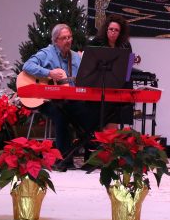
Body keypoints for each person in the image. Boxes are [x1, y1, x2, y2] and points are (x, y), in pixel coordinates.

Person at [22, 23, 97, 169]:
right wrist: (49, 73)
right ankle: (64, 159)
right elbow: (27, 66)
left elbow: (82, 80)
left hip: (69, 99)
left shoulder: (75, 57)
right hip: (46, 99)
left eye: (69, 37)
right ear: (56, 40)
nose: (68, 41)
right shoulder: (47, 53)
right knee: (60, 114)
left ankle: (90, 158)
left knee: (90, 112)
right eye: (64, 38)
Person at [89, 14, 139, 129]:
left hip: (116, 88)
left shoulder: (126, 45)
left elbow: (128, 69)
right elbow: (89, 64)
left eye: (116, 30)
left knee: (114, 114)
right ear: (106, 30)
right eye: (111, 29)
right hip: (99, 87)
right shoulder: (96, 42)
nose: (113, 32)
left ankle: (109, 140)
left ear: (120, 32)